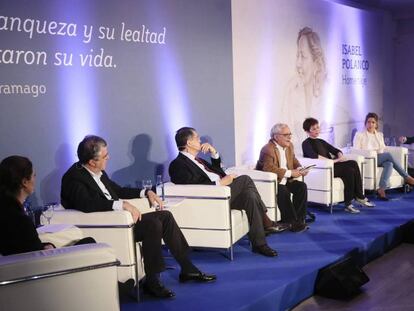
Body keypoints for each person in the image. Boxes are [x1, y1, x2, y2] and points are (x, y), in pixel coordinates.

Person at [61, 135, 216, 299]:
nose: (109, 158)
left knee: (165, 216)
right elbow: (86, 204)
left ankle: (187, 268)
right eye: (105, 156)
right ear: (92, 162)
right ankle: (152, 282)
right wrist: (121, 205)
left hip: (122, 220)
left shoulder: (98, 171)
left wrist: (146, 192)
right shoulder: (74, 178)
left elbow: (118, 191)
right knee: (153, 224)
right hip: (110, 227)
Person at [169, 127, 281, 258]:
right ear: (188, 143)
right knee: (245, 179)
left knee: (250, 196)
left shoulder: (199, 160)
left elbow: (216, 170)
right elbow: (191, 186)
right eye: (197, 138)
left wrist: (214, 152)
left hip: (225, 194)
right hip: (213, 198)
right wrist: (221, 183)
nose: (200, 140)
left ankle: (260, 244)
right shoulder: (177, 164)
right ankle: (266, 221)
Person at [0, 155, 94, 255]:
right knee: (89, 243)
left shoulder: (6, 210)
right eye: (34, 175)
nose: (35, 179)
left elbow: (26, 246)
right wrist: (47, 248)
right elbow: (34, 254)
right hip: (42, 266)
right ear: (24, 182)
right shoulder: (20, 221)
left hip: (18, 263)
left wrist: (46, 246)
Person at [302, 118, 375, 213]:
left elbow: (335, 150)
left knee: (353, 163)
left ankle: (358, 197)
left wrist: (339, 155)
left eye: (317, 128)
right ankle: (350, 203)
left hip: (332, 165)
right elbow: (315, 156)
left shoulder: (321, 141)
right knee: (349, 170)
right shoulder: (306, 143)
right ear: (307, 131)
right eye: (313, 129)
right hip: (323, 169)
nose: (317, 130)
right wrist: (334, 161)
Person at [256, 123, 309, 232]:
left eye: (290, 134)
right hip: (273, 182)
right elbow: (268, 168)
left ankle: (299, 219)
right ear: (276, 137)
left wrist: (300, 168)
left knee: (301, 186)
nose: (289, 137)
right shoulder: (267, 149)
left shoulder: (290, 146)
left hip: (285, 180)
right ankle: (291, 222)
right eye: (286, 134)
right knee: (283, 190)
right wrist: (290, 173)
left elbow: (293, 160)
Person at [353, 113, 414, 200]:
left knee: (389, 164)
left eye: (373, 122)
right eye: (369, 122)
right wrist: (372, 152)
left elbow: (383, 148)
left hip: (379, 157)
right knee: (388, 156)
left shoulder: (379, 135)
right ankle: (407, 177)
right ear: (365, 123)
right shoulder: (359, 135)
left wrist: (379, 152)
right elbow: (356, 150)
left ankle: (381, 189)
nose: (370, 124)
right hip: (367, 159)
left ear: (376, 124)